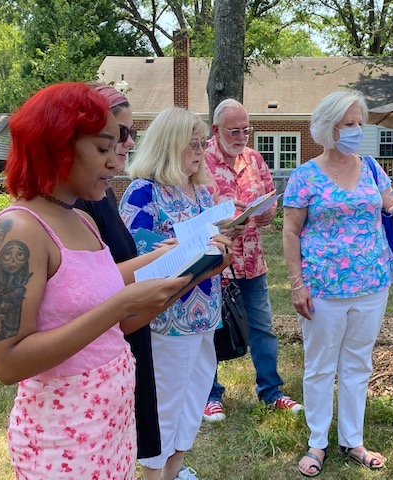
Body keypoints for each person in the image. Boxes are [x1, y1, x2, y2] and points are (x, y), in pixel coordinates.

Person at [0, 82, 230, 479]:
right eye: (102, 149)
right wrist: (119, 305)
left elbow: (110, 304)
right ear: (57, 145)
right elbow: (8, 362)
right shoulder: (18, 229)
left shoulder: (81, 217)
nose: (116, 163)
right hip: (63, 438)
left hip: (111, 429)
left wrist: (183, 266)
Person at [282, 89, 393, 477]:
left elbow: (391, 209)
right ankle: (317, 441)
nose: (359, 130)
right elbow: (290, 232)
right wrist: (296, 284)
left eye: (360, 123)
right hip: (323, 286)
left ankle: (352, 439)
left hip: (373, 281)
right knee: (321, 365)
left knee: (358, 362)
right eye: (350, 124)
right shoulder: (305, 175)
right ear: (329, 128)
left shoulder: (374, 167)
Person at [119, 107, 232, 480]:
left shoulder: (199, 190)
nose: (200, 152)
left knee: (195, 396)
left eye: (203, 144)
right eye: (192, 144)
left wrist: (220, 247)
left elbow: (205, 241)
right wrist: (181, 248)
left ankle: (175, 469)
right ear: (169, 145)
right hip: (165, 316)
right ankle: (154, 475)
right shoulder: (143, 191)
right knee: (165, 405)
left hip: (204, 311)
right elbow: (133, 254)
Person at [74, 85, 162, 460]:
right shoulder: (73, 203)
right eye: (107, 142)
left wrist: (176, 262)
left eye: (127, 135)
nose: (121, 151)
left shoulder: (101, 191)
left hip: (115, 349)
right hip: (86, 372)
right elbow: (95, 284)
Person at [203, 98, 303, 422]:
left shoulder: (255, 159)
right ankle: (210, 395)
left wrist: (265, 214)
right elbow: (190, 213)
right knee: (209, 329)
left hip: (251, 262)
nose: (242, 136)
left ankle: (271, 392)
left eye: (247, 130)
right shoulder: (199, 160)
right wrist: (227, 221)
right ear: (216, 130)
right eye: (235, 131)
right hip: (213, 261)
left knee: (263, 327)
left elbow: (270, 199)